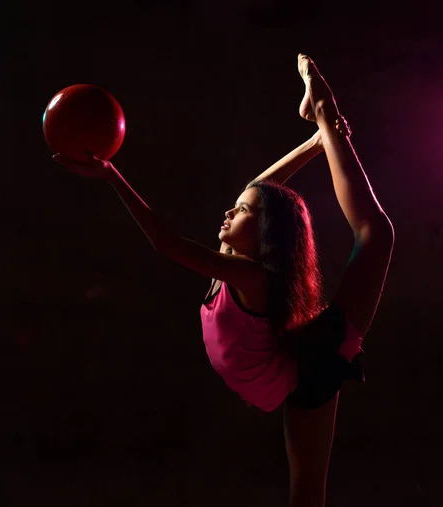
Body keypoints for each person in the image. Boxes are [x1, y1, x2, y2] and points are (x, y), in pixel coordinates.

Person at [53, 54, 394, 507]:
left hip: (311, 367)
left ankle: (329, 118)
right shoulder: (236, 263)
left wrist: (113, 176)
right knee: (307, 492)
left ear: (265, 234)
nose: (231, 209)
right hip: (299, 358)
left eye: (244, 212)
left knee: (376, 235)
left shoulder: (248, 275)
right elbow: (260, 188)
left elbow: (169, 243)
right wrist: (313, 146)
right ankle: (324, 127)